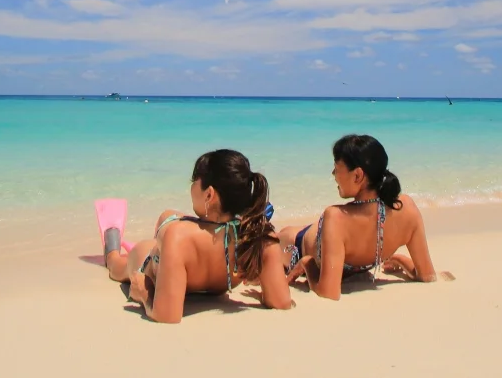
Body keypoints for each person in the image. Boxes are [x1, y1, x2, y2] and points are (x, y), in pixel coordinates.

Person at [104, 149, 294, 323]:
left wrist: (143, 293)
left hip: (147, 261)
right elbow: (281, 302)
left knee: (117, 264)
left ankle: (112, 248)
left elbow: (166, 316)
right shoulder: (260, 236)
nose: (191, 186)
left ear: (209, 194)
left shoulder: (178, 238)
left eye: (193, 181)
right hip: (211, 272)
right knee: (170, 218)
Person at [279, 134, 440, 301]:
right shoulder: (406, 209)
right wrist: (402, 260)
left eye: (336, 168)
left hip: (294, 248)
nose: (333, 173)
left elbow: (329, 293)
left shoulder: (336, 218)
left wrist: (308, 264)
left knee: (272, 242)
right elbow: (427, 275)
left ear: (357, 175)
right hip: (302, 237)